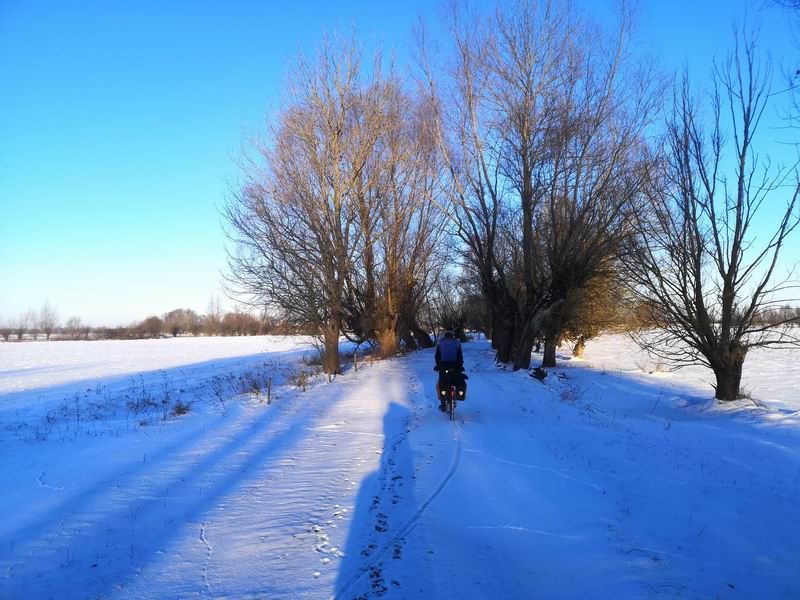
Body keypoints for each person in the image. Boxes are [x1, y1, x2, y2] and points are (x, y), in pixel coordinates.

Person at [434, 330, 467, 412]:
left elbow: (437, 356)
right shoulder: (456, 343)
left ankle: (443, 404)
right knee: (456, 379)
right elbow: (460, 356)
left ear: (445, 336)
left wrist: (438, 366)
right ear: (453, 336)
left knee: (441, 381)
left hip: (443, 366)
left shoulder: (440, 343)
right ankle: (456, 396)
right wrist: (460, 366)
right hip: (455, 366)